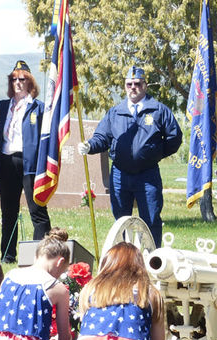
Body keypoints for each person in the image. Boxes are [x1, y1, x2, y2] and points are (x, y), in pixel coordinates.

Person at [77, 65, 182, 247]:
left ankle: (152, 259)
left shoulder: (158, 110)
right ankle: (125, 261)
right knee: (121, 221)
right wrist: (89, 146)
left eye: (137, 84)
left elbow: (174, 137)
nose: (133, 88)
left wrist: (154, 153)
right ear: (125, 86)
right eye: (129, 84)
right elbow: (102, 137)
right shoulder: (115, 112)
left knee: (151, 219)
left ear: (145, 85)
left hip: (147, 175)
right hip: (120, 174)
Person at [0, 60, 50, 264]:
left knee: (37, 211)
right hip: (6, 161)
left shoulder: (38, 108)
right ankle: (8, 255)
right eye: (13, 79)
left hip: (30, 164)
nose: (17, 82)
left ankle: (41, 256)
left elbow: (46, 138)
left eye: (22, 79)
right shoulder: (3, 107)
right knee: (8, 212)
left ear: (30, 82)